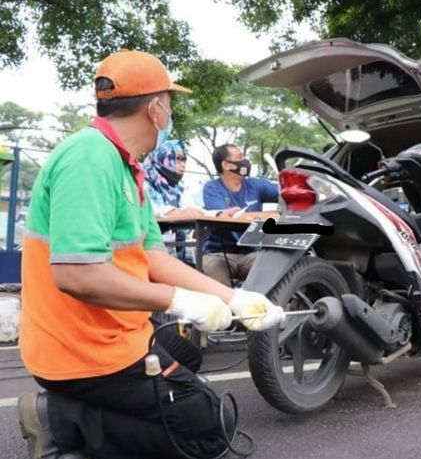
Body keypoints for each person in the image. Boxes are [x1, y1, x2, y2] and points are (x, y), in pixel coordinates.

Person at [16, 50, 285, 459]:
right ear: (155, 107)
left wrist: (234, 299)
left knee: (186, 353)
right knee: (214, 428)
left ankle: (80, 411)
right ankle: (60, 423)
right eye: (169, 102)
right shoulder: (89, 159)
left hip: (113, 334)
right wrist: (178, 301)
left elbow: (154, 259)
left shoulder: (125, 167)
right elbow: (77, 276)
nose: (170, 112)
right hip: (83, 351)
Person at [202, 144, 279, 285]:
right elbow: (225, 216)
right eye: (240, 157)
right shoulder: (212, 188)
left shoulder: (255, 185)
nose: (245, 161)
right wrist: (263, 216)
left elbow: (283, 193)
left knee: (273, 269)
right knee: (214, 274)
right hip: (218, 253)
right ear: (227, 165)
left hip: (251, 254)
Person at [144, 139, 203, 262]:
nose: (183, 165)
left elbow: (192, 208)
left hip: (176, 252)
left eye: (184, 159)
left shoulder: (178, 188)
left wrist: (218, 214)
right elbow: (154, 210)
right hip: (148, 250)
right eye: (177, 159)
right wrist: (177, 212)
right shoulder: (144, 182)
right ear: (161, 159)